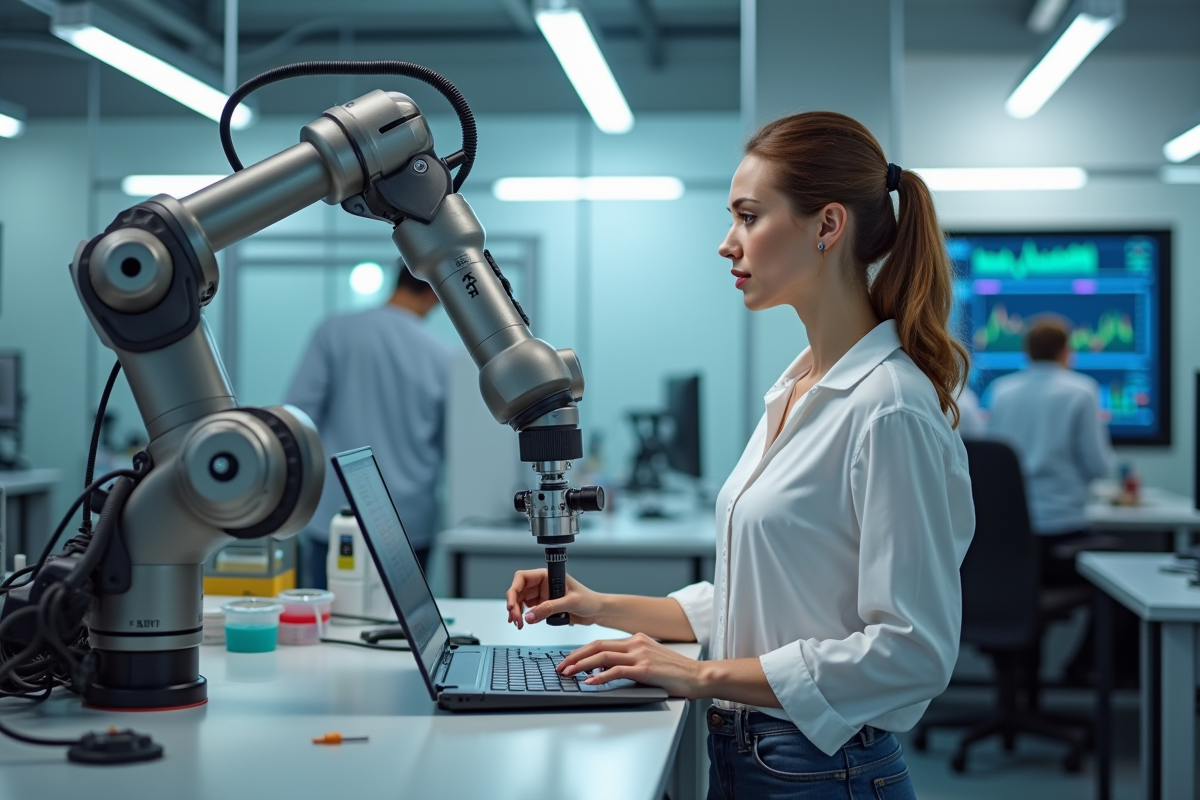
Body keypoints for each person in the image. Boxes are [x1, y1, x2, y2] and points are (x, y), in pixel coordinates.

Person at [506, 112, 975, 799]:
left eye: (749, 217)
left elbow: (912, 650)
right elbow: (765, 600)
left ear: (827, 226)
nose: (728, 245)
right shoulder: (799, 386)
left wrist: (698, 675)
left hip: (820, 770)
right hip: (755, 755)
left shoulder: (888, 406)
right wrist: (598, 605)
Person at [285, 265, 449, 587]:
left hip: (337, 514)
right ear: (435, 293)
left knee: (328, 626)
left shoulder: (334, 332)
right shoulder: (443, 354)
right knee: (405, 630)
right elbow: (450, 445)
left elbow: (297, 419)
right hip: (408, 522)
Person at [986, 315, 1117, 586]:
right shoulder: (1082, 391)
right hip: (1063, 535)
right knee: (1120, 575)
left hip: (1012, 538)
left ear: (1027, 351)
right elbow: (1099, 467)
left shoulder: (1000, 391)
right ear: (1065, 352)